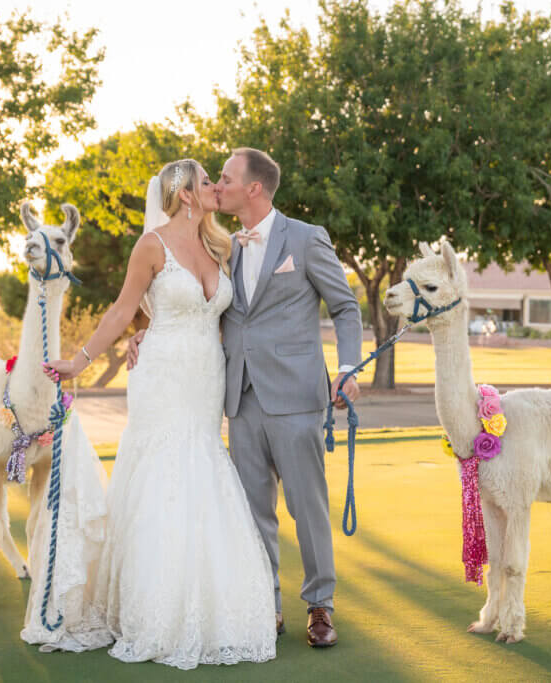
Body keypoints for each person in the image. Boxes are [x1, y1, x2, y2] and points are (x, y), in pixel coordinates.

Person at [28, 159, 277, 670]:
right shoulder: (151, 245)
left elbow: (235, 315)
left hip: (207, 379)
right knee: (164, 476)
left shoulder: (222, 245)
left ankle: (211, 607)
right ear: (184, 193)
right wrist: (79, 360)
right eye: (207, 182)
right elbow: (123, 310)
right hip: (161, 376)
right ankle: (154, 611)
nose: (215, 189)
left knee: (202, 469)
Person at [129, 148, 363, 647]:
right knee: (253, 510)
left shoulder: (305, 238)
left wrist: (346, 370)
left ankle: (320, 606)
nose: (220, 186)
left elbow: (344, 307)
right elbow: (197, 305)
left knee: (308, 508)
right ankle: (266, 606)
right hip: (239, 398)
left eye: (227, 179)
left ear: (253, 189)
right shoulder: (222, 246)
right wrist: (149, 332)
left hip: (297, 397)